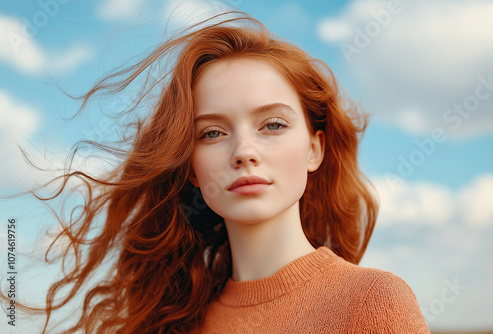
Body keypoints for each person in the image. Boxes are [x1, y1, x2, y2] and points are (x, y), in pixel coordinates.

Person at [1, 11, 430, 334]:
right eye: (211, 133)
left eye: (273, 125)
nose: (244, 152)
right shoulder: (178, 320)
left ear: (315, 148)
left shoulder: (372, 304)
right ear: (189, 165)